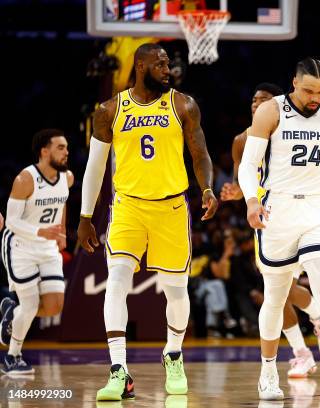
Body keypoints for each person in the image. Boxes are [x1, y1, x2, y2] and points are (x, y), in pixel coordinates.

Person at [77, 43, 218, 400]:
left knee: (176, 290)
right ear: (140, 67)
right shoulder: (109, 111)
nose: (167, 69)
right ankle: (118, 370)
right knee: (117, 281)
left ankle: (173, 353)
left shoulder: (183, 104)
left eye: (168, 64)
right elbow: (95, 168)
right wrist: (85, 216)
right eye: (160, 64)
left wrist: (207, 189)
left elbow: (199, 152)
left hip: (171, 208)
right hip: (127, 208)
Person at [238, 58, 320, 403]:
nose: (315, 97)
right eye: (308, 90)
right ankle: (268, 372)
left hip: (317, 209)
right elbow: (249, 165)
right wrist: (252, 201)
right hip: (277, 209)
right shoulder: (270, 111)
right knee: (276, 298)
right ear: (294, 82)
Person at [221, 82, 320, 378]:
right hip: (266, 223)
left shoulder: (289, 133)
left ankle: (318, 318)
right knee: (277, 292)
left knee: (279, 291)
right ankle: (303, 351)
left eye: (265, 100)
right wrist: (234, 193)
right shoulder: (242, 141)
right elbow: (244, 181)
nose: (257, 104)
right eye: (254, 100)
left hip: (298, 215)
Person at [0, 129, 73, 375]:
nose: (66, 152)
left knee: (53, 306)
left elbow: (61, 202)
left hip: (47, 246)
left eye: (66, 148)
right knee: (31, 304)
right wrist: (43, 231)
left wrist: (61, 230)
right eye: (60, 147)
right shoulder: (25, 179)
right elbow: (11, 221)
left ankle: (13, 312)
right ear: (44, 151)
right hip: (20, 245)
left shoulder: (68, 178)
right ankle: (12, 356)